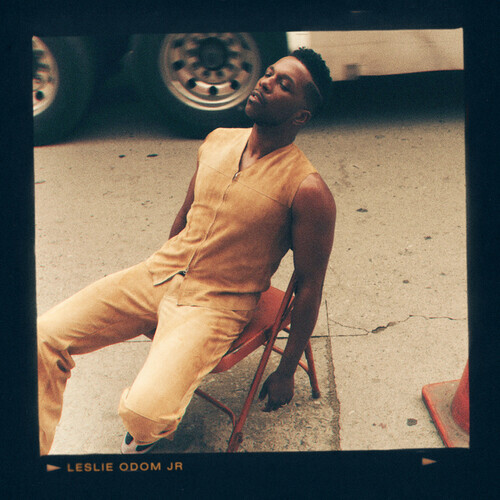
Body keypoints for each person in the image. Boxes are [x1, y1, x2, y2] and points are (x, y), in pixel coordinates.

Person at [37, 47, 336, 455]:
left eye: (283, 84)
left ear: (301, 115)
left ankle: (150, 429)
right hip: (158, 274)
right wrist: (154, 297)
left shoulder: (308, 189)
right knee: (43, 336)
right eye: (269, 73)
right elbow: (184, 215)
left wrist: (286, 372)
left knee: (143, 414)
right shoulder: (217, 140)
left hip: (216, 306)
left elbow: (310, 285)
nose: (266, 82)